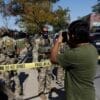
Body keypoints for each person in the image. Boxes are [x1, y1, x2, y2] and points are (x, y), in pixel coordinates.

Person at [50, 20, 98, 100]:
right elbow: (76, 47)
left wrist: (58, 41)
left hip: (76, 97)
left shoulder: (74, 54)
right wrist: (70, 40)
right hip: (89, 94)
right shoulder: (92, 48)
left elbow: (53, 58)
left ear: (73, 36)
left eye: (69, 34)